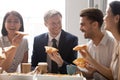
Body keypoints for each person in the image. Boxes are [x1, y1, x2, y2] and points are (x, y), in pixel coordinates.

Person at [79, 1, 120, 80]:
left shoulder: (113, 44)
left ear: (117, 18)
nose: (104, 18)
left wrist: (92, 61)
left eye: (107, 14)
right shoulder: (117, 43)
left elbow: (112, 76)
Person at [31, 9, 78, 74]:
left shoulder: (72, 40)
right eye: (53, 23)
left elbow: (73, 69)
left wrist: (61, 62)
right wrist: (35, 69)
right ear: (45, 24)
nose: (57, 26)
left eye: (59, 22)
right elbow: (33, 65)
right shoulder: (38, 40)